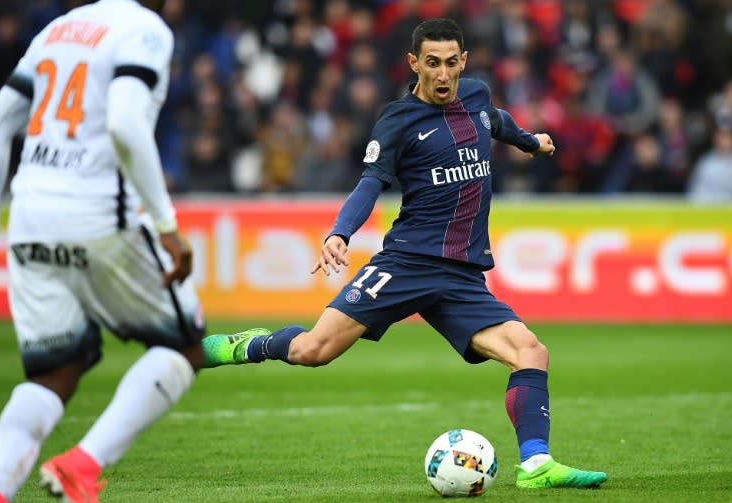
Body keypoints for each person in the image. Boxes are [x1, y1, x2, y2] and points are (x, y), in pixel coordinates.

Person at [202, 18, 607, 490]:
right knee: (313, 351)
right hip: (407, 265)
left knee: (531, 352)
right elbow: (370, 183)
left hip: (461, 276)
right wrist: (340, 233)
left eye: (450, 63)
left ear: (463, 63)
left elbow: (495, 121)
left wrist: (529, 141)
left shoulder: (474, 96)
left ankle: (536, 465)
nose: (441, 74)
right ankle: (247, 344)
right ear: (414, 63)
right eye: (431, 63)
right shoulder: (397, 120)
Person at [0, 1, 205, 502]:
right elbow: (125, 125)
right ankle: (82, 466)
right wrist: (166, 225)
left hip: (29, 215)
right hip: (97, 214)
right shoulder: (144, 29)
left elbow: (0, 120)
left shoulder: (58, 29)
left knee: (53, 373)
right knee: (184, 346)